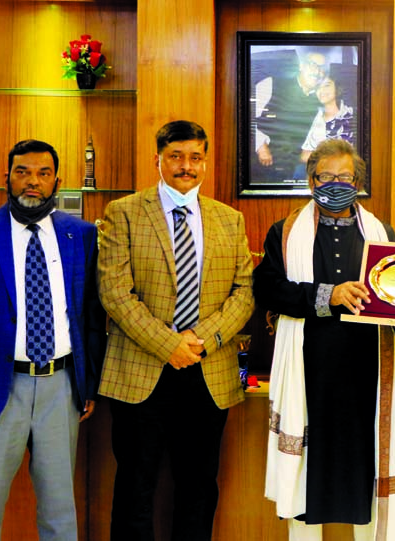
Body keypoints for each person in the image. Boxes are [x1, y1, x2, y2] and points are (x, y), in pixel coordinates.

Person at [0, 139, 105, 540]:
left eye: (43, 174)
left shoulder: (80, 235)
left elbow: (90, 317)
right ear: (6, 178)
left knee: (60, 512)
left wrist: (88, 384)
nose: (33, 182)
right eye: (23, 172)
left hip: (61, 388)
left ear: (57, 182)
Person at [97, 120, 254, 540]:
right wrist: (169, 345)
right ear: (159, 160)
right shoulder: (124, 212)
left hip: (208, 374)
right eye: (176, 157)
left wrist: (201, 341)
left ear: (205, 162)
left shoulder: (229, 219)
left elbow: (244, 292)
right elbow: (114, 293)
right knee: (135, 487)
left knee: (199, 488)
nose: (186, 166)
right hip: (141, 375)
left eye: (195, 157)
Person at [255, 138, 395, 540]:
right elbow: (270, 290)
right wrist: (330, 293)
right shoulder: (284, 232)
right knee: (307, 485)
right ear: (311, 181)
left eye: (345, 177)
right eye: (326, 176)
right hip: (310, 376)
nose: (336, 184)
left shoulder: (381, 232)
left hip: (367, 377)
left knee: (367, 475)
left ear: (358, 182)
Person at [254, 49, 329, 183]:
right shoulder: (271, 83)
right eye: (313, 64)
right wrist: (260, 147)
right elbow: (246, 119)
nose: (318, 71)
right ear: (301, 66)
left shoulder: (319, 102)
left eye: (322, 68)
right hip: (258, 164)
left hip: (290, 170)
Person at [299, 75, 355, 163]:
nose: (322, 91)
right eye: (318, 87)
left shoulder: (351, 113)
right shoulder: (317, 117)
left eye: (326, 85)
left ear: (337, 88)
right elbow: (304, 156)